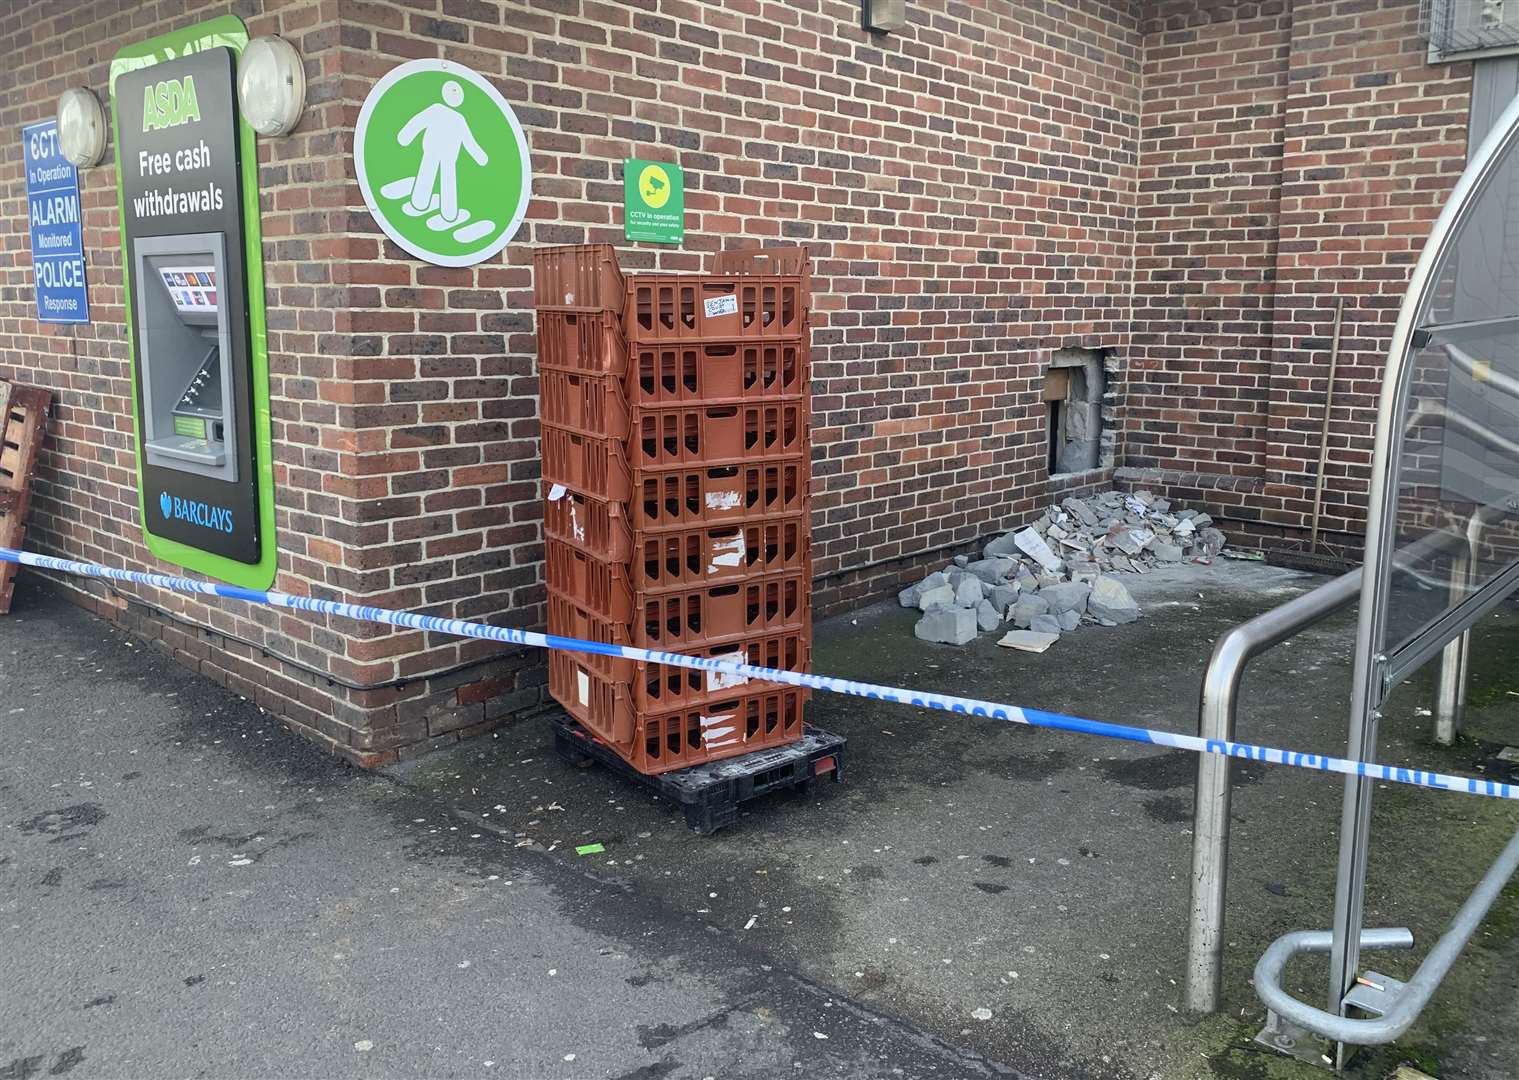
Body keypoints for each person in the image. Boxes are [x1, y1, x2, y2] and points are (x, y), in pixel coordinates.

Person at [397, 80, 487, 225]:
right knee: (444, 179)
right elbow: (470, 143)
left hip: (439, 153)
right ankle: (448, 212)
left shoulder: (447, 114)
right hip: (442, 154)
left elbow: (469, 141)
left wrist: (405, 136)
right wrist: (480, 157)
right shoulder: (448, 114)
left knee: (431, 175)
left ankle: (423, 203)